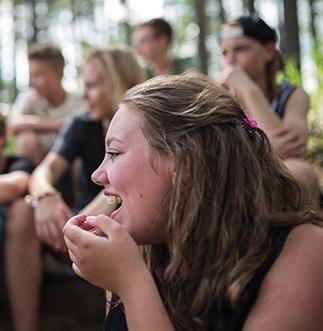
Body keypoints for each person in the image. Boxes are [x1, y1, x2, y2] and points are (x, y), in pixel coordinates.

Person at [63, 74, 323, 330]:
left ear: (186, 162)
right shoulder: (134, 255)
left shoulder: (305, 250)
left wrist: (132, 284)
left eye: (115, 153)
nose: (97, 175)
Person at [4, 44, 145, 331]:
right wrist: (45, 196)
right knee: (23, 211)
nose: (83, 95)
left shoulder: (149, 129)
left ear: (117, 82)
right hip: (77, 221)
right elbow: (45, 170)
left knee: (120, 220)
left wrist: (85, 221)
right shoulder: (82, 122)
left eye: (92, 86)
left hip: (109, 220)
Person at [218, 14, 320, 208]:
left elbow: (288, 151)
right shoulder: (219, 100)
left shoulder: (293, 96)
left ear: (269, 51)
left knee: (300, 172)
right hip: (235, 186)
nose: (230, 61)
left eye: (240, 49)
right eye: (224, 53)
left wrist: (248, 89)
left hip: (278, 186)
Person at [9, 43, 86, 165]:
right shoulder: (29, 97)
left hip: (70, 165)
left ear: (58, 73)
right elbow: (14, 123)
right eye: (31, 75)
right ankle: (26, 180)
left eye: (38, 75)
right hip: (38, 159)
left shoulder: (79, 102)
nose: (33, 82)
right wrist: (57, 125)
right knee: (25, 139)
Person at [0, 115, 34, 301]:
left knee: (22, 208)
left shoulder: (20, 164)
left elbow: (16, 184)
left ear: (3, 136)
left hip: (17, 262)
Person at [134, 17, 198, 78]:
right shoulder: (142, 75)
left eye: (144, 41)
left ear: (163, 41)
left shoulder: (186, 66)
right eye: (138, 43)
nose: (139, 48)